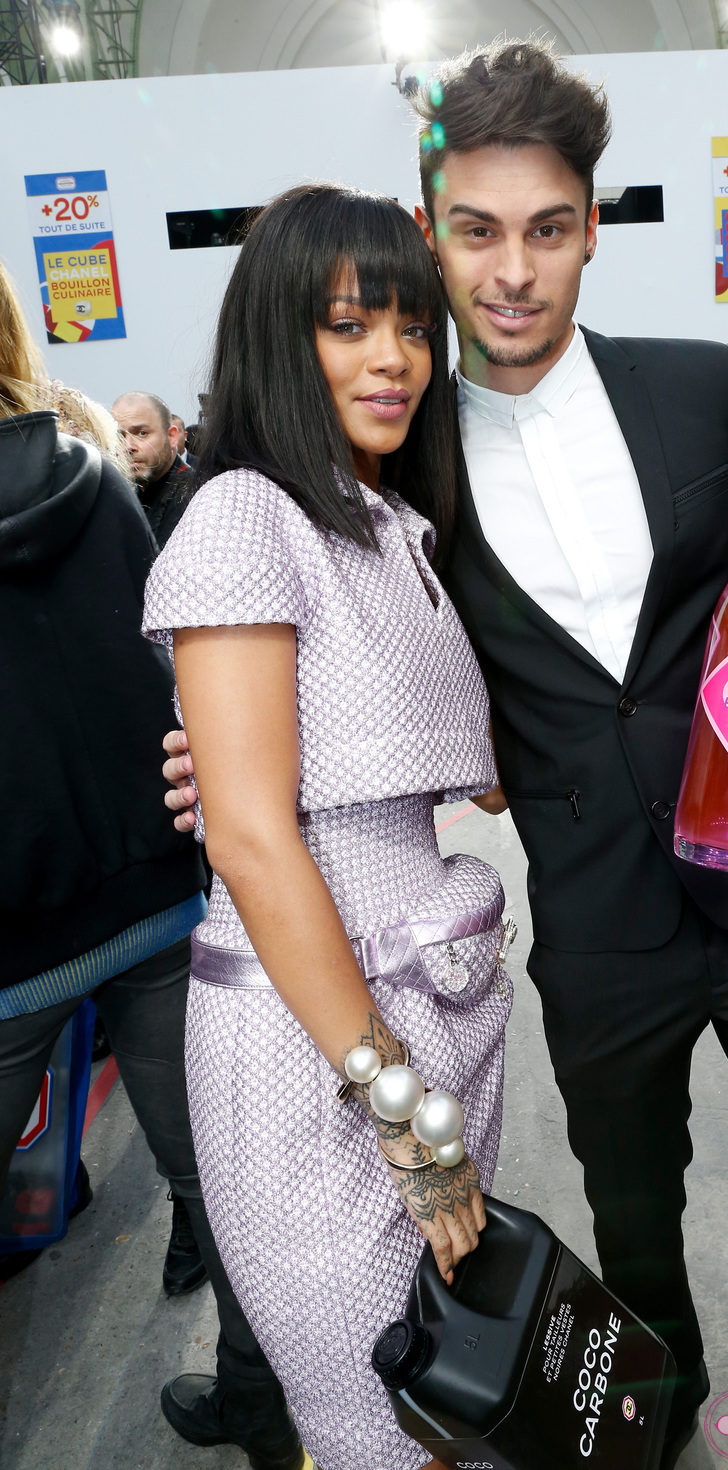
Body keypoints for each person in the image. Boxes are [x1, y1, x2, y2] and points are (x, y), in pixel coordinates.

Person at [164, 43, 728, 1470]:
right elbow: (349, 638)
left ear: (590, 231)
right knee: (632, 1231)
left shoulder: (702, 387)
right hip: (600, 927)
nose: (511, 272)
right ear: (430, 230)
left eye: (547, 229)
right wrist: (239, 758)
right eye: (478, 231)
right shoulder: (399, 451)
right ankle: (657, 1414)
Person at [143, 184, 512, 1470]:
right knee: (371, 1420)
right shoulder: (246, 513)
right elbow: (250, 840)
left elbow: (464, 765)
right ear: (277, 339)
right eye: (350, 326)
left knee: (443, 1403)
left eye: (411, 327)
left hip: (422, 1027)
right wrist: (405, 1116)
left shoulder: (394, 524)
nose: (394, 358)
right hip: (318, 1063)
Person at [0, 259, 302, 1470]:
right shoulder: (98, 471)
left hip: (13, 932)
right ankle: (263, 1409)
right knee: (216, 1179)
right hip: (153, 893)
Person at [112, 389, 190, 545]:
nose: (128, 446)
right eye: (120, 436)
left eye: (142, 433)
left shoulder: (194, 496)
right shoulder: (124, 494)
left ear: (172, 437)